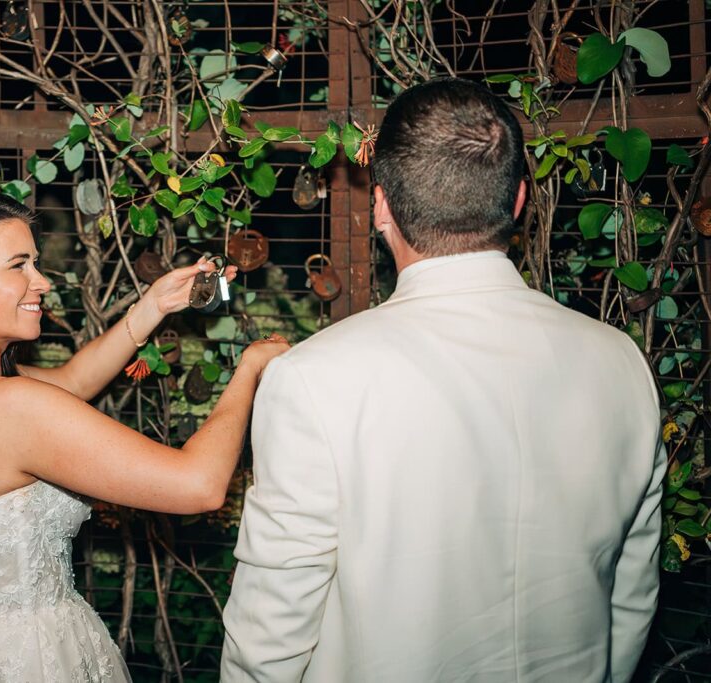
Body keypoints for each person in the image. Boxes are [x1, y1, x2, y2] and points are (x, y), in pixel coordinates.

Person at [220, 77, 665, 682]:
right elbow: (632, 597)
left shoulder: (314, 379)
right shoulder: (621, 363)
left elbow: (271, 633)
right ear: (517, 203)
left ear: (380, 206)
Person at [0, 191, 289, 682]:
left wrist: (155, 305)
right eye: (19, 266)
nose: (41, 282)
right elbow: (199, 485)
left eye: (36, 263)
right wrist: (250, 370)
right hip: (26, 660)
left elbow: (76, 379)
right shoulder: (11, 406)